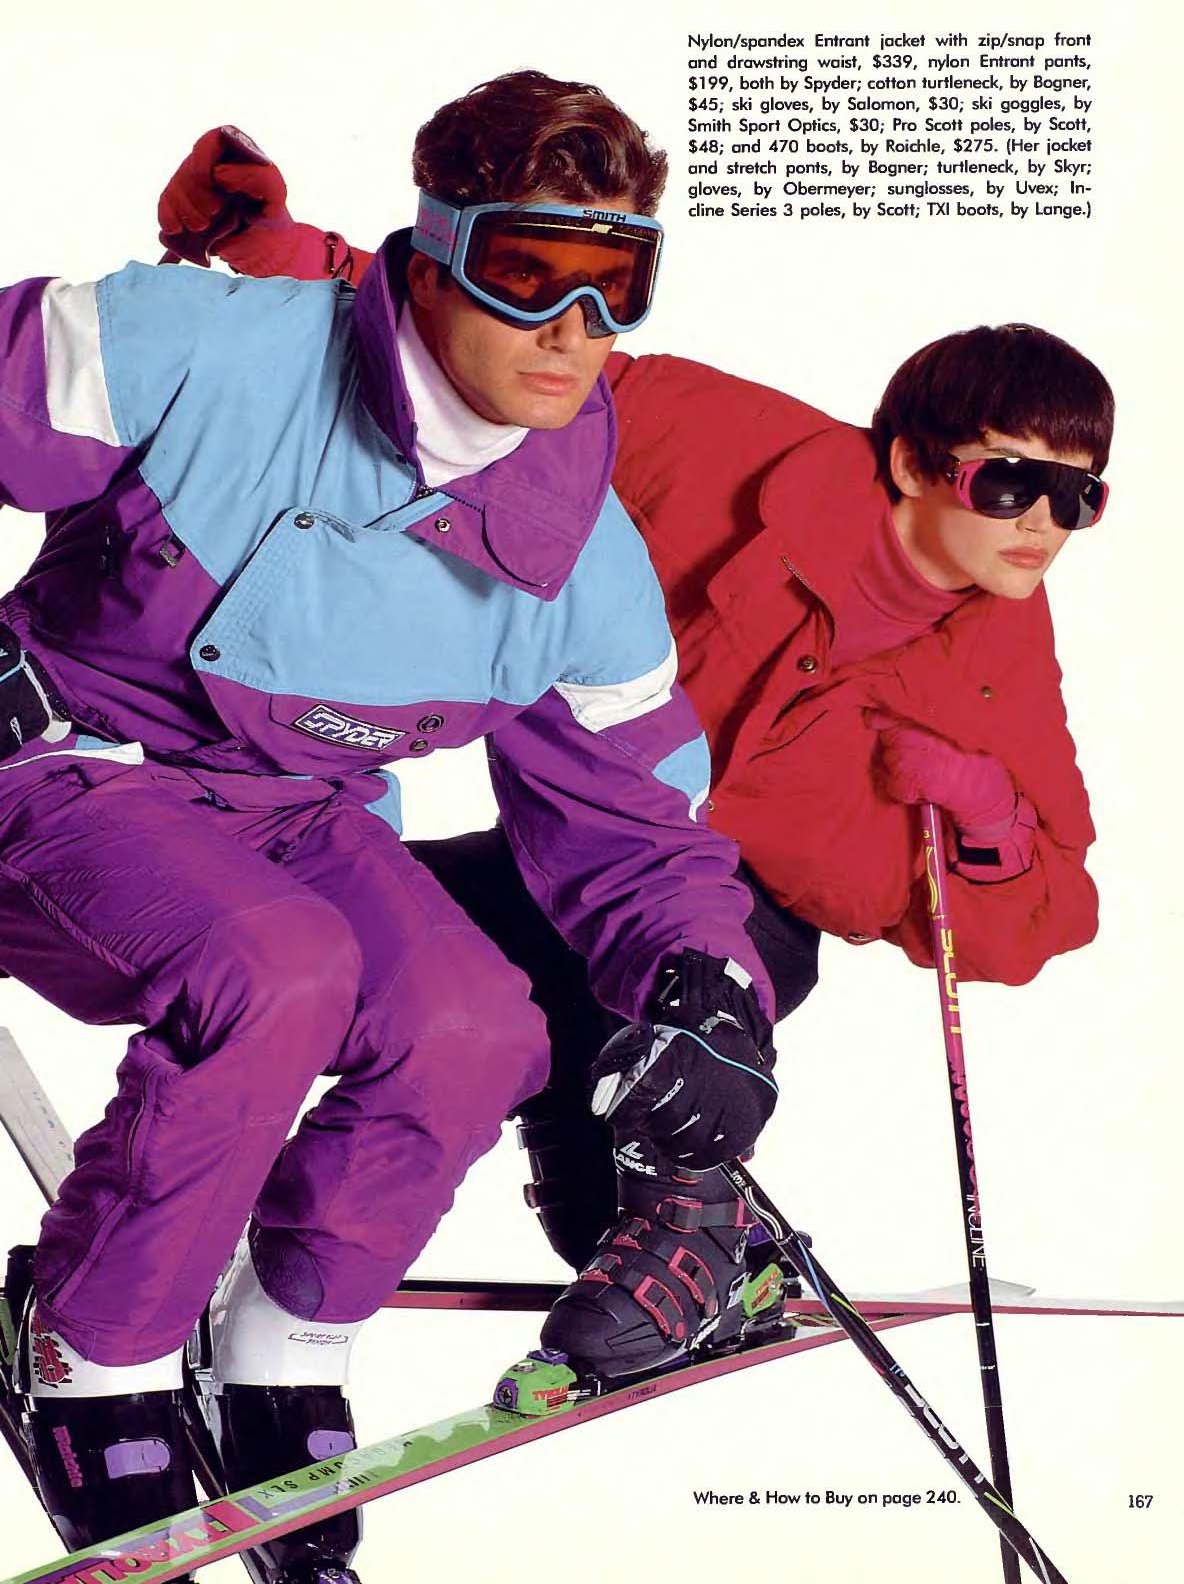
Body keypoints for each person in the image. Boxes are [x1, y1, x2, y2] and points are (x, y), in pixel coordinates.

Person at [156, 127, 1114, 1377]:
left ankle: (690, 1226)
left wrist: (983, 817)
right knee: (335, 926)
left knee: (703, 955)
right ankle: (199, 1213)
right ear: (910, 463)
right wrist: (282, 253)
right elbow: (505, 366)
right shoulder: (722, 442)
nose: (1042, 524)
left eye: (1078, 496)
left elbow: (1041, 921)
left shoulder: (1000, 648)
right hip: (582, 843)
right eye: (1008, 484)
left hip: (727, 916)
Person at [0, 71, 778, 1581]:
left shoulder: (580, 551)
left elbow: (634, 823)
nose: (572, 330)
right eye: (528, 273)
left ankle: (278, 1346)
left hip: (291, 812)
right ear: (429, 260)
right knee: (278, 968)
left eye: (616, 284)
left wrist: (710, 990)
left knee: (476, 1020)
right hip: (64, 770)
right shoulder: (206, 347)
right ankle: (85, 1350)